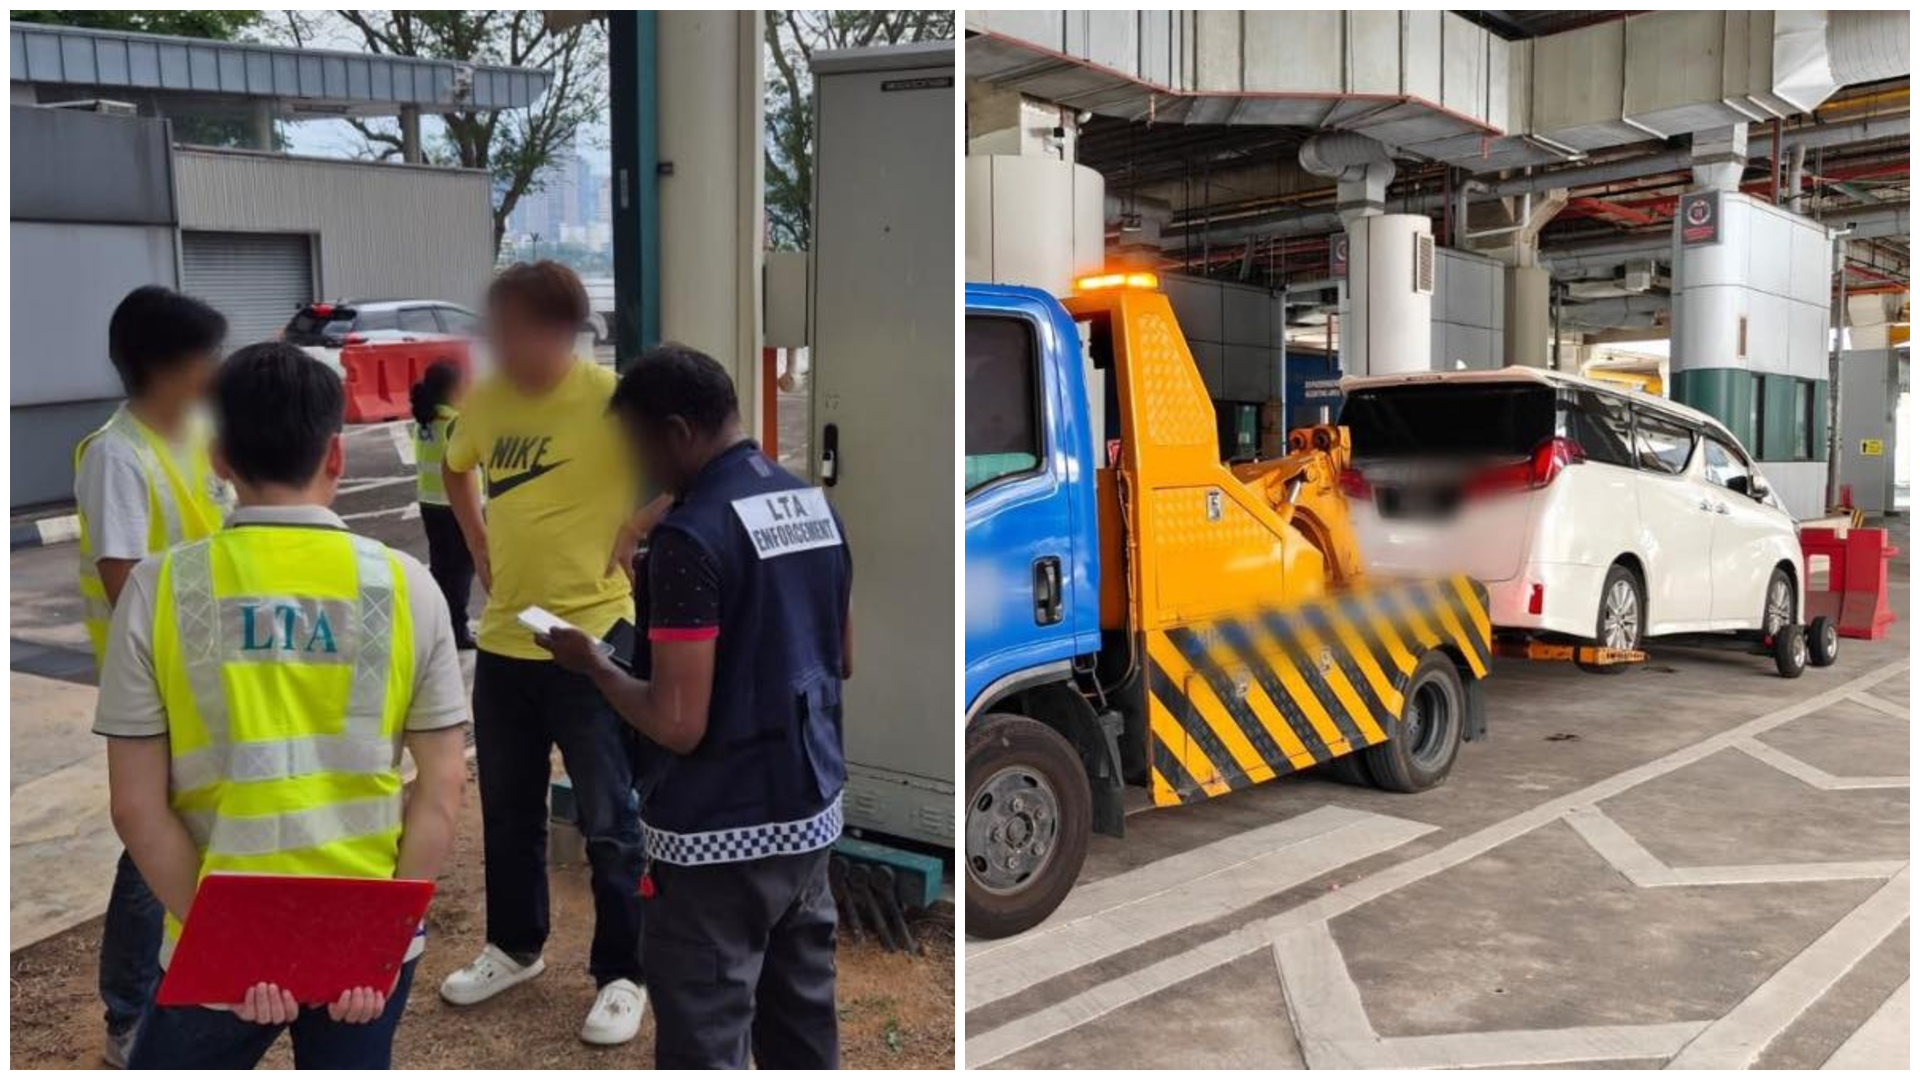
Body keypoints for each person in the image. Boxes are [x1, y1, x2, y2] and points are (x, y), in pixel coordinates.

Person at [93, 342, 470, 1069]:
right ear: (337, 455)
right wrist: (377, 944)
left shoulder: (157, 589)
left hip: (216, 942)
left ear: (218, 458)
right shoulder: (409, 587)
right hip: (364, 938)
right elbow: (444, 788)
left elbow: (136, 808)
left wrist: (224, 944)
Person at [539, 343, 853, 1070]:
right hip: (808, 814)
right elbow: (843, 658)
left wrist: (593, 664)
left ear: (678, 431)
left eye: (641, 448)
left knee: (707, 1031)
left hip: (717, 836)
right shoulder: (811, 504)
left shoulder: (688, 538)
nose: (639, 470)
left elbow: (679, 724)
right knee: (801, 1022)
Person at [436, 261, 651, 1045]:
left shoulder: (611, 400)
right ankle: (515, 945)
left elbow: (676, 475)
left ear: (561, 329)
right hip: (505, 641)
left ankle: (625, 973)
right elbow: (455, 467)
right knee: (510, 808)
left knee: (609, 818)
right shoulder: (488, 399)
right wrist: (476, 541)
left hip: (594, 640)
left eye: (516, 327)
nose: (501, 341)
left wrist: (631, 532)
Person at [74, 285, 233, 1067]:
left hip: (208, 674)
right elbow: (123, 580)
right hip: (155, 686)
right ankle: (127, 1012)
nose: (217, 369)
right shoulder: (118, 453)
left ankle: (168, 983)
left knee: (189, 834)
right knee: (148, 849)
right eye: (208, 355)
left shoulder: (200, 433)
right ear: (169, 367)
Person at [409, 360, 477, 650]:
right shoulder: (456, 423)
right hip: (455, 507)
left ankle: (439, 623)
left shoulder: (425, 421)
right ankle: (457, 629)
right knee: (461, 571)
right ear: (454, 389)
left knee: (442, 568)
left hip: (430, 503)